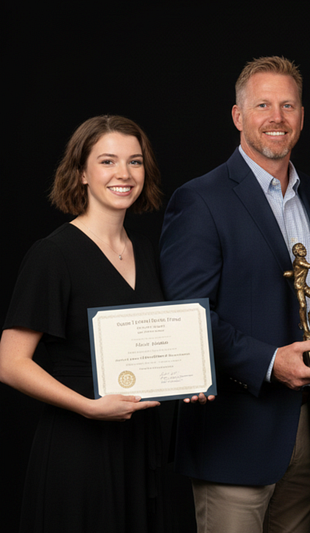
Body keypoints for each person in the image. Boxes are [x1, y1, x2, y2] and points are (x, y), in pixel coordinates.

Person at [159, 56, 310, 533]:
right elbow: (189, 316)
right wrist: (270, 362)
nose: (276, 118)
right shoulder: (200, 200)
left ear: (301, 116)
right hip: (235, 435)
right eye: (263, 105)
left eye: (288, 105)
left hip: (309, 432)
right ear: (239, 116)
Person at [0, 115, 166, 532]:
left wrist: (188, 383)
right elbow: (10, 363)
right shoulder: (53, 254)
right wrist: (90, 408)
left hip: (136, 444)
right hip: (78, 448)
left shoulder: (144, 251)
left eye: (135, 161)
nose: (124, 174)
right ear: (81, 173)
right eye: (108, 162)